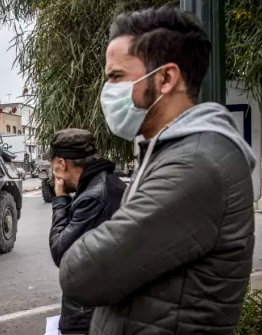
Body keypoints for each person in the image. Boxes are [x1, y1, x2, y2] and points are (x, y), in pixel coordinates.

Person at [59, 5, 256, 335]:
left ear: (166, 78)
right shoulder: (174, 151)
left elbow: (82, 274)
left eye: (117, 77)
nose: (107, 91)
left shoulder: (196, 164)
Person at [48, 128, 126, 335]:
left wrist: (60, 199)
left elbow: (60, 252)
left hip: (88, 314)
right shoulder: (107, 181)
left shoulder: (92, 197)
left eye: (54, 166)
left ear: (62, 164)